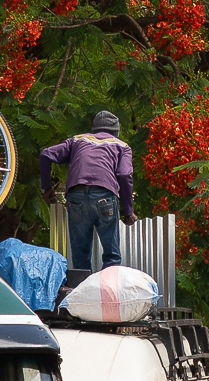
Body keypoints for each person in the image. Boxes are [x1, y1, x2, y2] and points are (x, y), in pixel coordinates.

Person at [38, 110, 137, 270]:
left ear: (95, 128)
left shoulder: (78, 140)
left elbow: (46, 154)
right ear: (116, 132)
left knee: (80, 255)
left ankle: (81, 290)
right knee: (112, 255)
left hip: (76, 196)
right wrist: (128, 211)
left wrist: (47, 187)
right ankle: (108, 292)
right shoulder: (122, 146)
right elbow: (124, 174)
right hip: (104, 195)